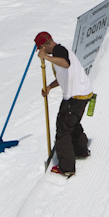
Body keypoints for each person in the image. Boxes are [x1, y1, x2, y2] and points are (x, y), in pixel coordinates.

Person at [36, 31, 92, 177]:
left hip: (75, 96)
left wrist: (46, 57)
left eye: (39, 48)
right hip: (83, 92)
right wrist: (50, 86)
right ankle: (80, 150)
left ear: (43, 46)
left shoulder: (58, 52)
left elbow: (65, 64)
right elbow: (65, 74)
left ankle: (67, 167)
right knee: (71, 122)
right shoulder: (62, 51)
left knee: (63, 129)